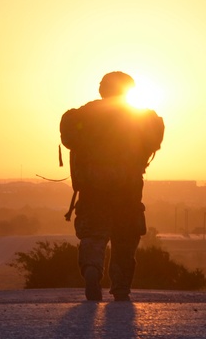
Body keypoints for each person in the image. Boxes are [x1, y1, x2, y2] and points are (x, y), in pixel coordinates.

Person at [59, 71, 164, 302]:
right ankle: (121, 287)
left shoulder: (81, 116)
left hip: (93, 190)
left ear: (102, 90)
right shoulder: (142, 118)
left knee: (93, 236)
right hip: (128, 190)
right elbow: (154, 141)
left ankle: (92, 270)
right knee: (125, 239)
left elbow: (68, 140)